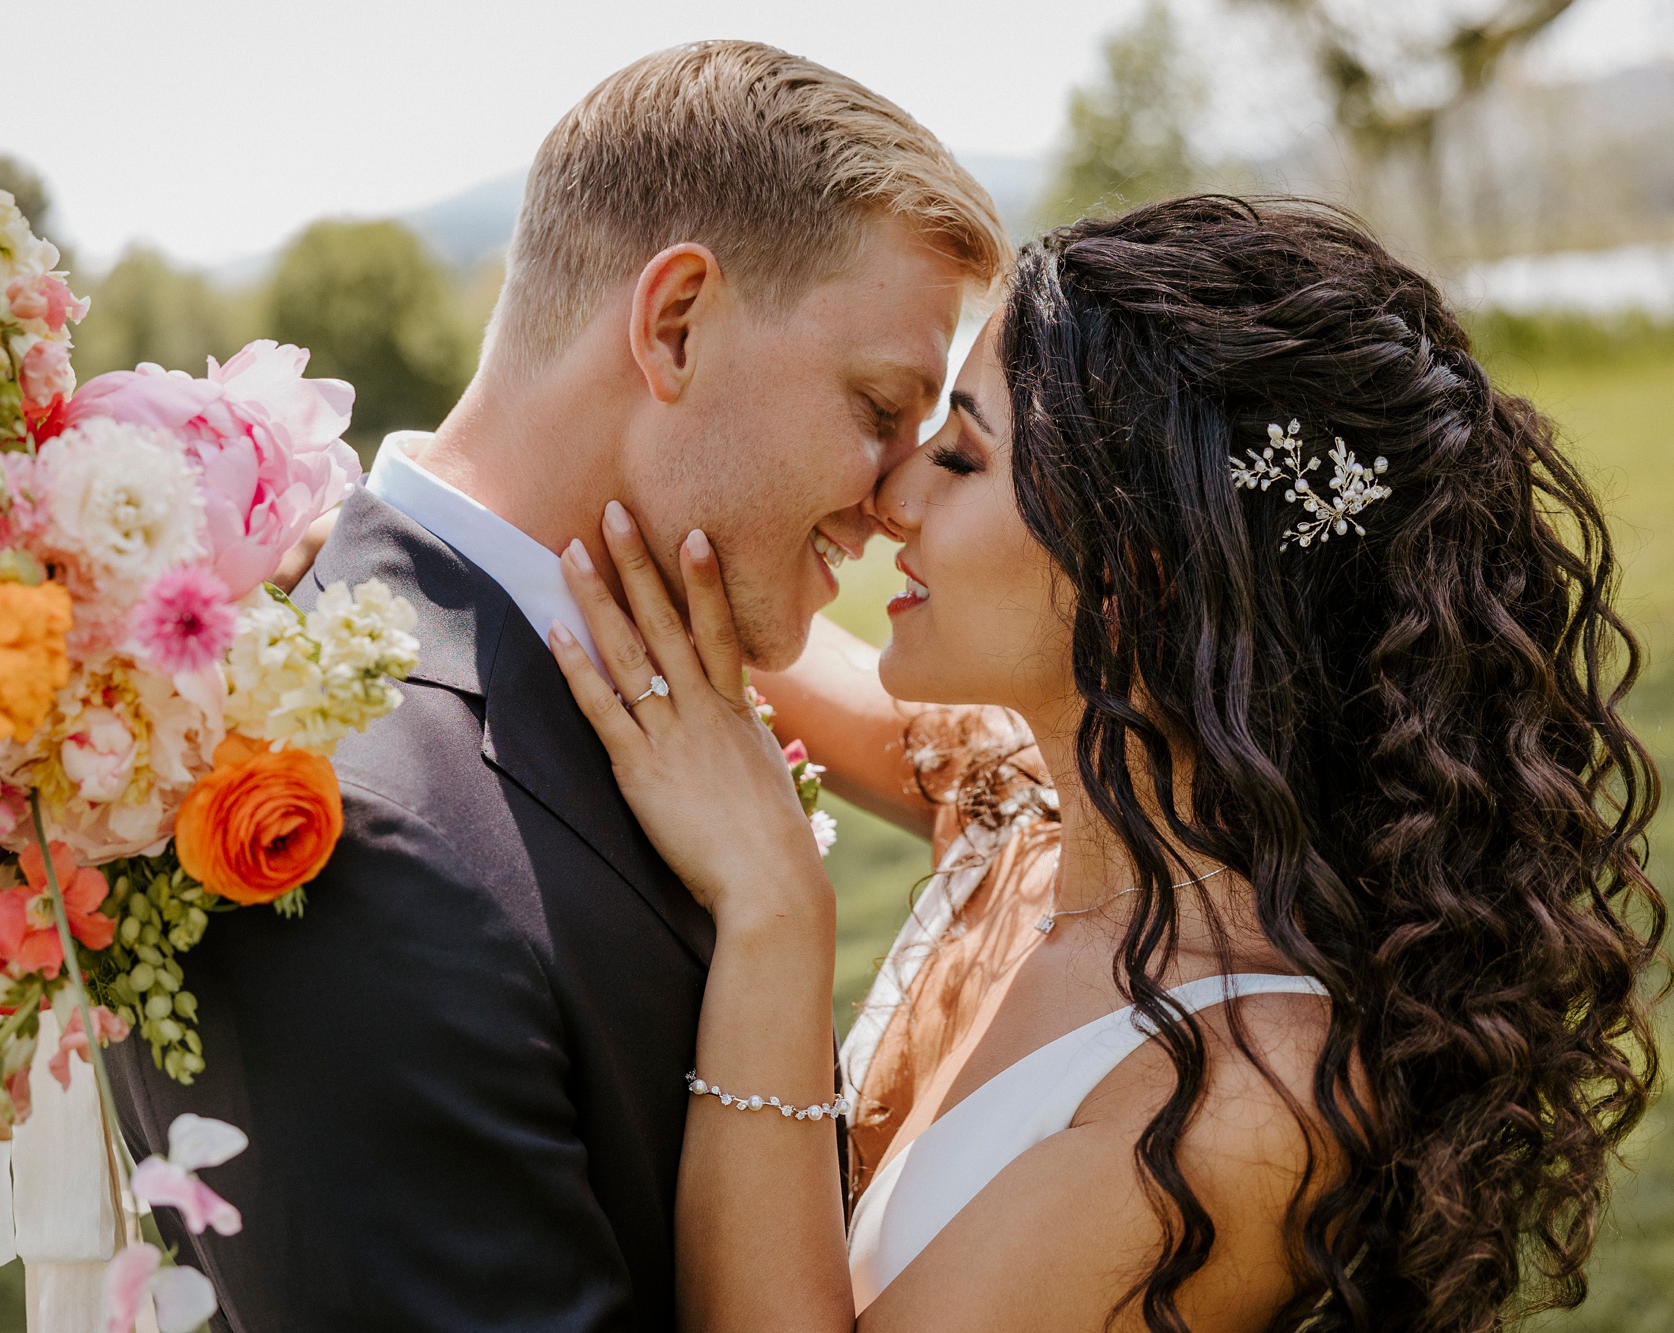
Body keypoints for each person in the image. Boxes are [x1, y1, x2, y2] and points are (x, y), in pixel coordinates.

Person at [548, 196, 1664, 1331]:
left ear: (1139, 572)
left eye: (961, 456)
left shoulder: (1237, 1109)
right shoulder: (1019, 798)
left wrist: (774, 917)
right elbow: (688, 612)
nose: (891, 499)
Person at [106, 40, 1002, 1331]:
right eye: (879, 407)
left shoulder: (636, 686)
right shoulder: (349, 827)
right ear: (675, 324)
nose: (896, 499)